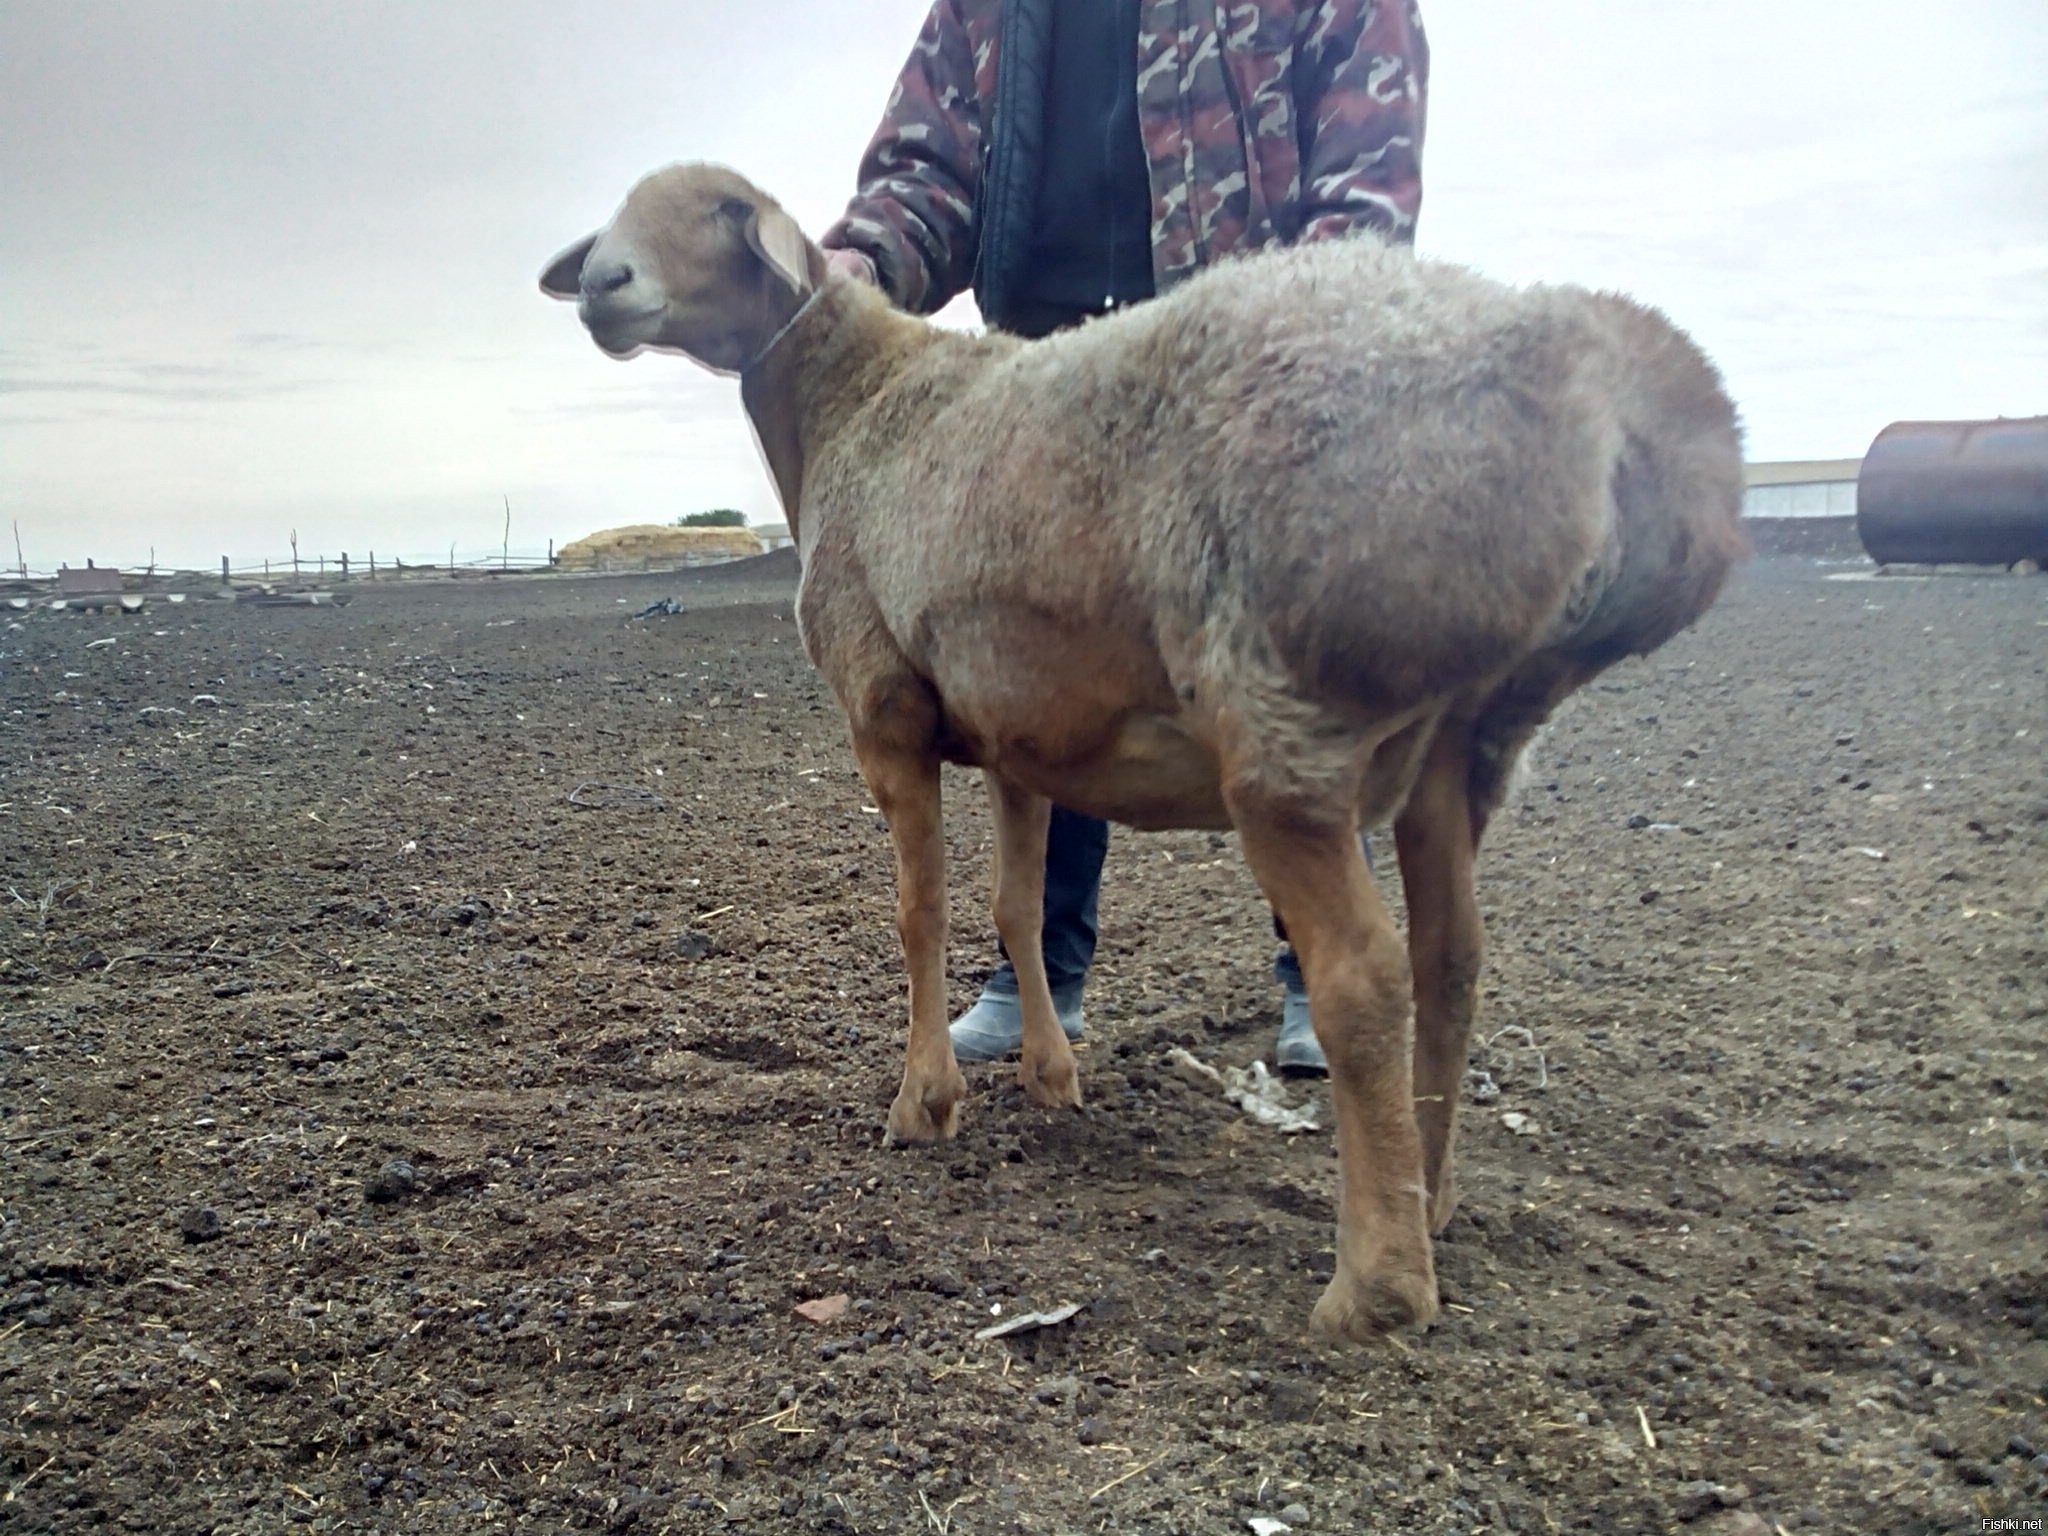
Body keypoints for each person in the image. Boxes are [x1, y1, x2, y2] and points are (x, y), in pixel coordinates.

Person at [821, 0, 1429, 1076]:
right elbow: (926, 172)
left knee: (1268, 675)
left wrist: (1318, 338)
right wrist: (845, 281)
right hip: (1044, 367)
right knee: (1037, 677)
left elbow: (1362, 156)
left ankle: (1320, 967)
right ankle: (1039, 977)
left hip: (1227, 356)